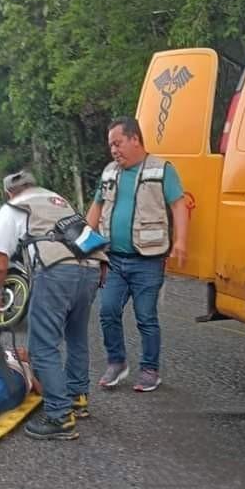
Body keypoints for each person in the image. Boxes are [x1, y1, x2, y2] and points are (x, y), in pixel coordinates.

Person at [0, 170, 107, 440]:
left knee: (42, 345)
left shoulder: (12, 208)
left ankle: (59, 415)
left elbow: (0, 262)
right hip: (91, 268)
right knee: (76, 336)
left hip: (56, 271)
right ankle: (77, 397)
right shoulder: (56, 200)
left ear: (9, 193)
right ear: (33, 185)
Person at [86, 116, 188, 392]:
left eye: (118, 143)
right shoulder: (109, 172)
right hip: (114, 259)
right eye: (111, 146)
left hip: (149, 260)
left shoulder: (161, 170)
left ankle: (150, 370)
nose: (114, 150)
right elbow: (96, 209)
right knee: (107, 310)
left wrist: (181, 241)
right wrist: (83, 243)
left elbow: (179, 205)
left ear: (135, 139)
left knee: (146, 317)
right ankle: (116, 363)